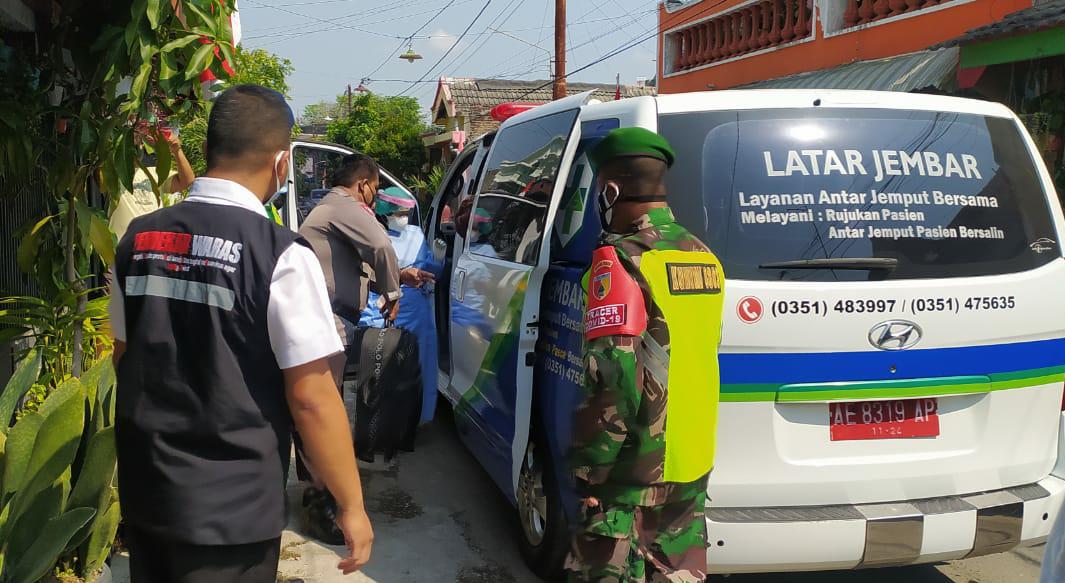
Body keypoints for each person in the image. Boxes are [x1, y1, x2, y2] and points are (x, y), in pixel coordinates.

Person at [109, 84, 372, 583]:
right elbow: (313, 398)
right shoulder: (281, 255)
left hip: (149, 494)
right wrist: (351, 503)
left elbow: (125, 356)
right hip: (233, 511)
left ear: (209, 149)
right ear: (281, 164)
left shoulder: (137, 240)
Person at [567, 127, 725, 582]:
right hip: (692, 461)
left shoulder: (620, 262)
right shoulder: (703, 256)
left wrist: (591, 471)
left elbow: (612, 378)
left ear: (610, 190)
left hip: (631, 473)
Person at [296, 154, 422, 542]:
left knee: (321, 408)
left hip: (326, 317)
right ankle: (322, 502)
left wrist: (396, 276)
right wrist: (393, 292)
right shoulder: (345, 205)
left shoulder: (330, 209)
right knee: (323, 412)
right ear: (364, 184)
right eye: (376, 190)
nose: (376, 198)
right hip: (326, 318)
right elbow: (381, 245)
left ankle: (317, 490)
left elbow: (357, 262)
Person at [359, 187, 441, 424]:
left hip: (415, 307)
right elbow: (366, 274)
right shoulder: (371, 235)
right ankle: (380, 426)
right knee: (381, 368)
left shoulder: (416, 234)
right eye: (398, 213)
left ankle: (418, 420)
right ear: (385, 212)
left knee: (421, 363)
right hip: (380, 307)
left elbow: (431, 272)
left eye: (406, 213)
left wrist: (438, 260)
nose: (402, 219)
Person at [109, 125, 195, 240]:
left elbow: (187, 181)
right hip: (122, 246)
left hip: (152, 246)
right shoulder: (114, 173)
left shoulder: (155, 172)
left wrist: (177, 150)